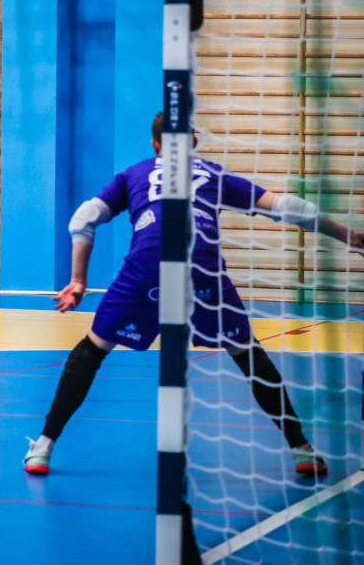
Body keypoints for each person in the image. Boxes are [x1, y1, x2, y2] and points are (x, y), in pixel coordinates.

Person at [24, 112, 364, 477]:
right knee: (249, 357)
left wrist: (78, 281)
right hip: (203, 267)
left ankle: (43, 447)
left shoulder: (134, 173)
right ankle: (302, 449)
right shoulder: (212, 173)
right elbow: (284, 207)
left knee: (92, 350)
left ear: (155, 146)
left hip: (148, 265)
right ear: (195, 144)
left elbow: (83, 218)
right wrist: (349, 235)